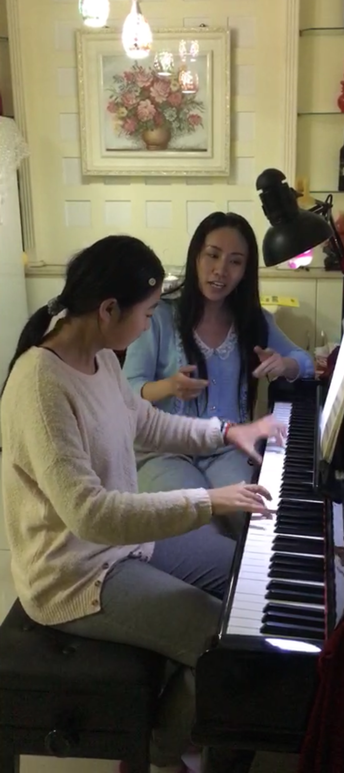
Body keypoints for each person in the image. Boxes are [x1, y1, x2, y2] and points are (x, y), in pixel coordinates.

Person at [0, 235, 286, 773]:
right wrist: (209, 501)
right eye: (149, 312)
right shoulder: (41, 386)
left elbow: (147, 422)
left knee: (243, 574)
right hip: (73, 575)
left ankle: (196, 716)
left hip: (121, 546)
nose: (150, 323)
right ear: (109, 310)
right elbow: (91, 515)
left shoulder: (101, 359)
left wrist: (228, 431)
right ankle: (159, 752)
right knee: (224, 645)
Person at [123, 212, 314, 534]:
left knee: (258, 519)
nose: (221, 270)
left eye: (235, 262)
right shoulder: (160, 316)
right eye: (212, 255)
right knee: (195, 528)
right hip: (166, 453)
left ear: (245, 271)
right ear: (196, 256)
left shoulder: (254, 320)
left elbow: (304, 361)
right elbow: (128, 388)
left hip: (228, 450)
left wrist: (285, 365)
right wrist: (168, 387)